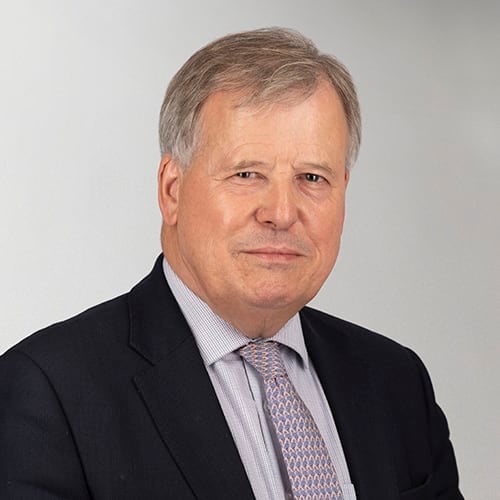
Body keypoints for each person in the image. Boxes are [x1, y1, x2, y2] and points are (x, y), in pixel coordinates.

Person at [0, 28, 463, 500]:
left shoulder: (397, 384)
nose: (281, 213)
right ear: (172, 190)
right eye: (247, 174)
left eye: (311, 177)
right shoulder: (48, 394)